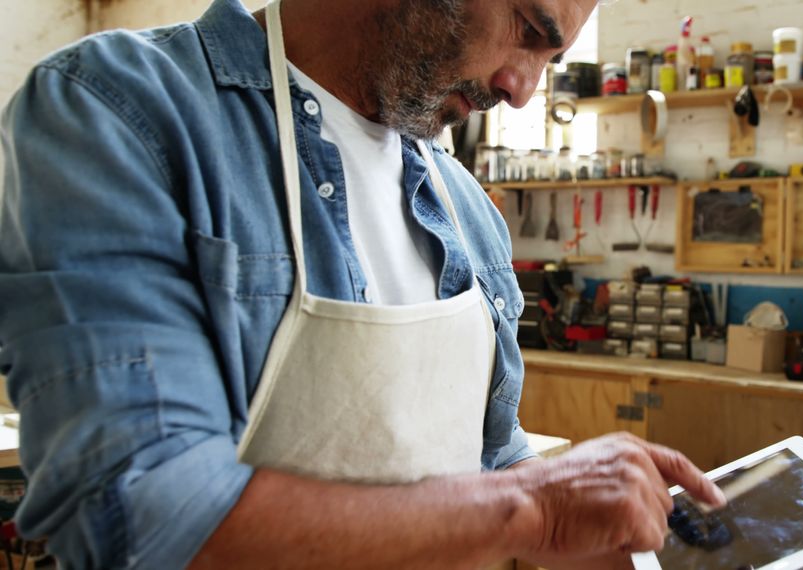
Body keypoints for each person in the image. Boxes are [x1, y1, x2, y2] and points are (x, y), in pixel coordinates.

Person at [0, 0, 726, 568]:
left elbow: (490, 461)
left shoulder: (466, 209)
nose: (521, 89)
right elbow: (141, 518)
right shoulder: (120, 114)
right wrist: (535, 506)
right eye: (528, 30)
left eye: (552, 56)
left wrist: (635, 545)